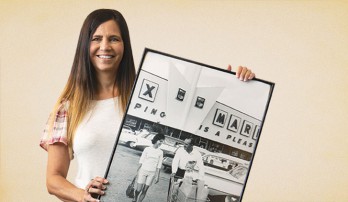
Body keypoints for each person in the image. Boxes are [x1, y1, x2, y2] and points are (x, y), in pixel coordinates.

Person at [39, 8, 255, 202]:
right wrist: (81, 194)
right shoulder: (69, 107)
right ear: (85, 45)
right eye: (96, 38)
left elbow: (194, 114)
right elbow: (53, 179)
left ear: (124, 45)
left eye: (114, 38)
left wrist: (233, 85)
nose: (105, 46)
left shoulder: (143, 96)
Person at [133, 133, 165, 202]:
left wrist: (157, 176)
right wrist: (137, 171)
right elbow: (141, 160)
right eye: (161, 141)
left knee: (144, 190)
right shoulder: (147, 149)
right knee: (139, 189)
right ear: (156, 140)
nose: (161, 143)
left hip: (152, 173)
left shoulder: (161, 152)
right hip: (143, 170)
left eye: (162, 141)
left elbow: (159, 164)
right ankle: (135, 199)